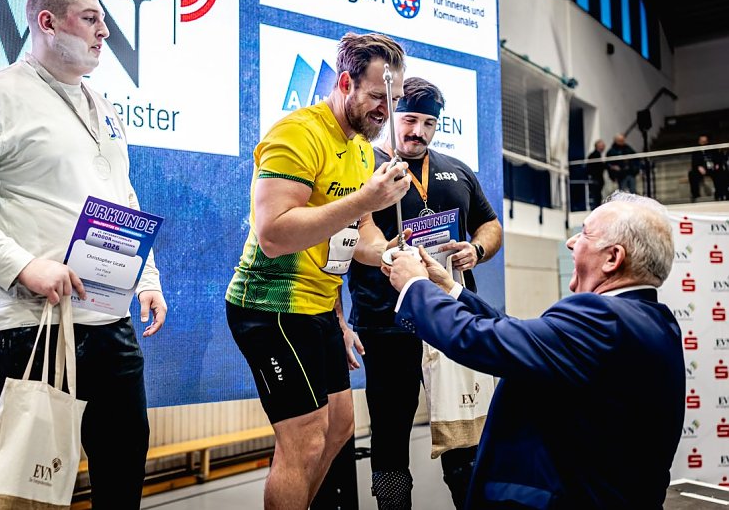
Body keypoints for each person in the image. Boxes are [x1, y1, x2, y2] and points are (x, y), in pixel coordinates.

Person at [0, 0, 167, 509]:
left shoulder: (104, 108)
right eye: (90, 19)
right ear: (47, 23)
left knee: (122, 480)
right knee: (27, 495)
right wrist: (22, 265)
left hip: (108, 324)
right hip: (29, 327)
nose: (105, 31)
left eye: (104, 19)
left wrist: (147, 277)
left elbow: (121, 195)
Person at [386, 191, 684, 509]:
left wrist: (415, 287)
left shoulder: (603, 319)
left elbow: (482, 341)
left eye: (584, 234)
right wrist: (450, 289)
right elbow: (523, 340)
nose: (570, 243)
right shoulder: (654, 321)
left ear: (613, 258)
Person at [225, 32, 411, 509]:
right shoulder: (297, 133)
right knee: (303, 441)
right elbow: (274, 233)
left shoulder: (363, 150)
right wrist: (366, 197)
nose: (384, 111)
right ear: (345, 82)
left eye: (392, 100)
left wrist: (388, 255)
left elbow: (362, 233)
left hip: (319, 308)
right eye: (375, 97)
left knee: (341, 426)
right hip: (270, 307)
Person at [348, 77, 502, 509]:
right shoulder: (364, 167)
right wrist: (388, 254)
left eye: (429, 122)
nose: (418, 130)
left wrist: (476, 248)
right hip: (387, 321)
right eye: (410, 118)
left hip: (450, 320)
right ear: (393, 114)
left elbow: (490, 225)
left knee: (465, 432)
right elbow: (358, 236)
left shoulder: (457, 170)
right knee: (391, 433)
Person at [689, 134, 728, 201]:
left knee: (721, 174)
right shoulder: (696, 151)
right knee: (692, 174)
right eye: (702, 141)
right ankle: (695, 195)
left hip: (713, 169)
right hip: (701, 169)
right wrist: (698, 166)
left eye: (705, 141)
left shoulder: (712, 149)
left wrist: (717, 164)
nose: (703, 143)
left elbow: (718, 159)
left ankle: (719, 195)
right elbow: (694, 162)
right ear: (699, 141)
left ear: (707, 141)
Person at [586, 139, 606, 209]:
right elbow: (593, 168)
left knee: (598, 195)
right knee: (596, 196)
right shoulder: (594, 155)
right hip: (595, 179)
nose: (603, 148)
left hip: (598, 178)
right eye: (602, 146)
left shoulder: (598, 155)